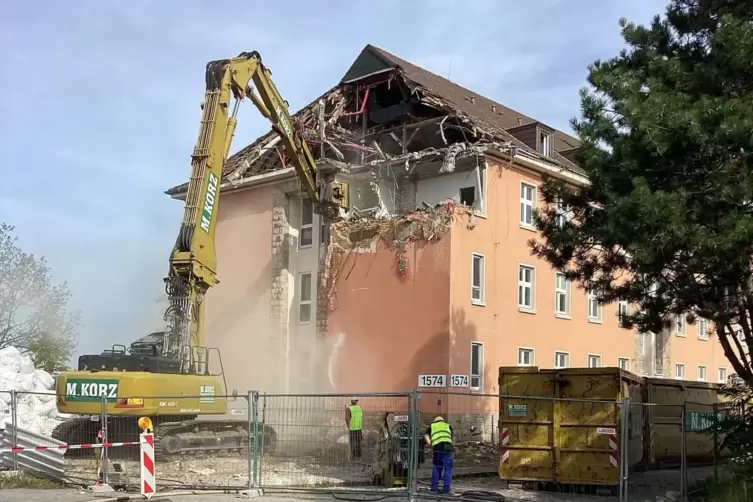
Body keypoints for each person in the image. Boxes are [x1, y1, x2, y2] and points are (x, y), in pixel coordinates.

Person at [424, 415, 454, 494]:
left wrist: (430, 444)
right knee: (448, 469)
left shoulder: (432, 426)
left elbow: (426, 436)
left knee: (437, 467)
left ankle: (434, 489)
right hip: (449, 449)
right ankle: (446, 490)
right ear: (442, 420)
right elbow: (450, 438)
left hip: (438, 449)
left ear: (435, 421)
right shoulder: (448, 425)